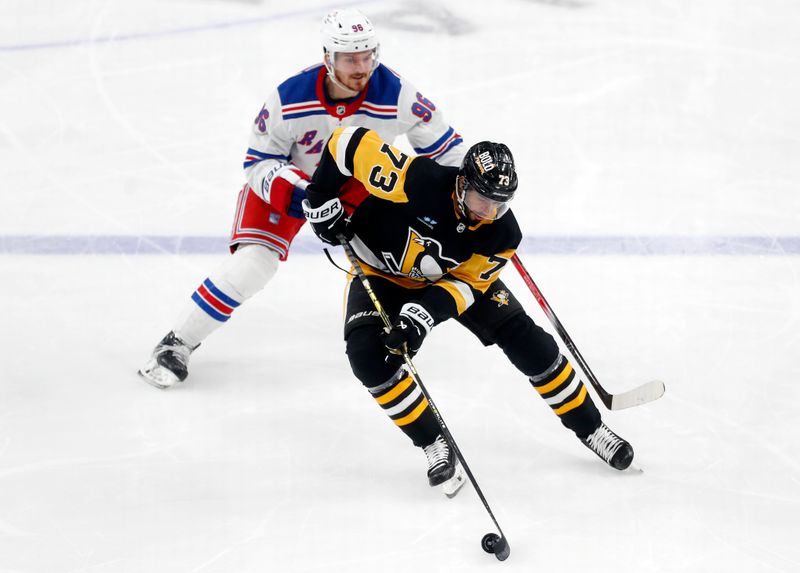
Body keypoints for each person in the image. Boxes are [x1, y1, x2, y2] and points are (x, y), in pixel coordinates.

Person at [139, 8, 465, 389]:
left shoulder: (397, 94)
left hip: (356, 188)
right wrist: (300, 192)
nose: (361, 67)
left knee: (392, 259)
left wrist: (471, 195)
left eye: (367, 56)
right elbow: (258, 161)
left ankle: (388, 340)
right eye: (349, 58)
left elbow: (447, 151)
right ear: (328, 57)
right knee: (252, 265)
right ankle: (177, 343)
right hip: (291, 184)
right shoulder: (288, 98)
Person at [302, 126, 635, 496]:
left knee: (527, 341)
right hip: (380, 271)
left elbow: (463, 286)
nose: (488, 213)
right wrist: (319, 196)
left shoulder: (503, 234)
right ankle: (433, 443)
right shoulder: (416, 179)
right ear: (462, 183)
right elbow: (346, 142)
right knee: (367, 357)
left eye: (499, 204)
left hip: (451, 277)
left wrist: (419, 319)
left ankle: (592, 428)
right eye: (482, 200)